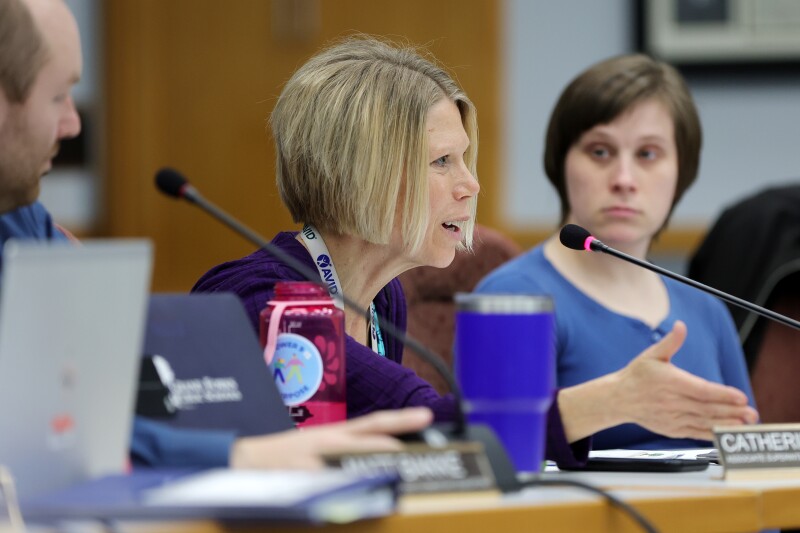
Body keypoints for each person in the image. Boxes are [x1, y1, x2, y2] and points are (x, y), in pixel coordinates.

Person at [193, 40, 757, 465]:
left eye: (465, 159)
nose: (471, 185)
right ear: (362, 173)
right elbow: (426, 427)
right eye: (442, 162)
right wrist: (615, 400)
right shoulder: (258, 299)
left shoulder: (383, 299)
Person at [0, 0, 433, 470]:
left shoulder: (20, 222)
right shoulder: (257, 294)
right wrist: (241, 457)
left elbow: (92, 419)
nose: (74, 123)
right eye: (58, 96)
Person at [476, 54, 756, 449]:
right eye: (600, 152)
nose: (624, 179)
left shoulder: (706, 309)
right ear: (560, 163)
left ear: (682, 172)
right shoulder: (511, 298)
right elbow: (500, 454)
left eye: (647, 154)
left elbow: (751, 459)